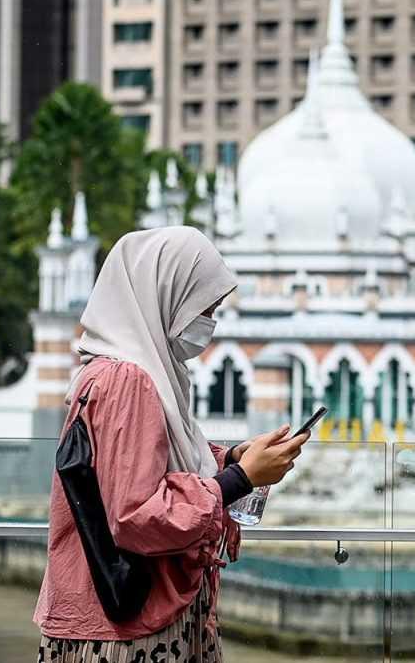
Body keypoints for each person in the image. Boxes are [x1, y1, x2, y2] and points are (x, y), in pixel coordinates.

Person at [32, 226, 309, 662]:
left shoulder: (116, 372)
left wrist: (231, 459)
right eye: (203, 308)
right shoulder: (129, 381)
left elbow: (140, 467)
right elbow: (136, 514)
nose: (209, 325)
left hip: (114, 620)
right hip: (127, 634)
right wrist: (238, 480)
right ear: (163, 295)